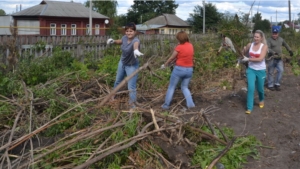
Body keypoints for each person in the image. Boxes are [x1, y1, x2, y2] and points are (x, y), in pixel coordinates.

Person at [106, 22, 144, 108]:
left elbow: (135, 45)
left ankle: (132, 106)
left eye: (131, 31)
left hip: (131, 65)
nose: (129, 33)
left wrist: (136, 51)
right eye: (127, 31)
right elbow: (120, 41)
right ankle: (112, 97)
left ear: (134, 32)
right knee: (118, 81)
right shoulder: (124, 38)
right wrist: (113, 41)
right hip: (122, 63)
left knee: (131, 86)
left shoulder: (136, 40)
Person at [161, 31, 195, 110]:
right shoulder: (190, 45)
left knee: (171, 87)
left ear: (179, 38)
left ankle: (166, 105)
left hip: (179, 69)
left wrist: (165, 65)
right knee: (185, 87)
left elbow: (172, 57)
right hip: (189, 70)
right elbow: (185, 56)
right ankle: (191, 104)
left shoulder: (179, 47)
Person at [241, 30, 268, 114]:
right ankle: (249, 108)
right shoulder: (250, 44)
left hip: (260, 70)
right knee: (251, 88)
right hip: (251, 69)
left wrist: (248, 59)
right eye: (254, 36)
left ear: (261, 38)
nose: (255, 38)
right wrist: (243, 50)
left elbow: (260, 59)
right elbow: (242, 54)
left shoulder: (264, 46)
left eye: (257, 37)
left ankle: (261, 99)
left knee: (260, 89)